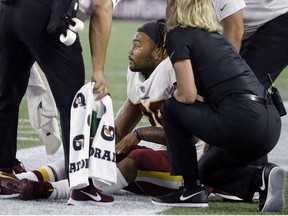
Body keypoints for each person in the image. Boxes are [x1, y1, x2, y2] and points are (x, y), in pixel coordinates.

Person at [0, 20, 204, 205]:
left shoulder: (173, 71)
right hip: (158, 160)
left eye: (137, 46)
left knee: (137, 157)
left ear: (159, 52)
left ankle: (51, 191)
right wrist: (92, 134)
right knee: (97, 149)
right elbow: (117, 130)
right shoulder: (138, 76)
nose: (130, 51)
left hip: (188, 165)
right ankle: (24, 179)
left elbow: (191, 135)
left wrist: (140, 134)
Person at [151, 0, 286, 213]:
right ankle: (261, 177)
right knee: (206, 171)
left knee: (171, 107)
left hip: (242, 122)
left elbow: (187, 96)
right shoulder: (219, 39)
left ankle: (190, 190)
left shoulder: (178, 34)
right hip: (270, 123)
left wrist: (174, 92)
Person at [0, 0, 120, 175]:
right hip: (44, 12)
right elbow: (101, 7)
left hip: (7, 10)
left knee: (6, 94)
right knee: (75, 103)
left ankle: (4, 168)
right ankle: (81, 185)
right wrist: (98, 69)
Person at [208, 0, 288, 167]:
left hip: (279, 19)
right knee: (240, 93)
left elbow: (234, 34)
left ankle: (251, 174)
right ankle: (254, 170)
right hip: (257, 24)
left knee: (239, 93)